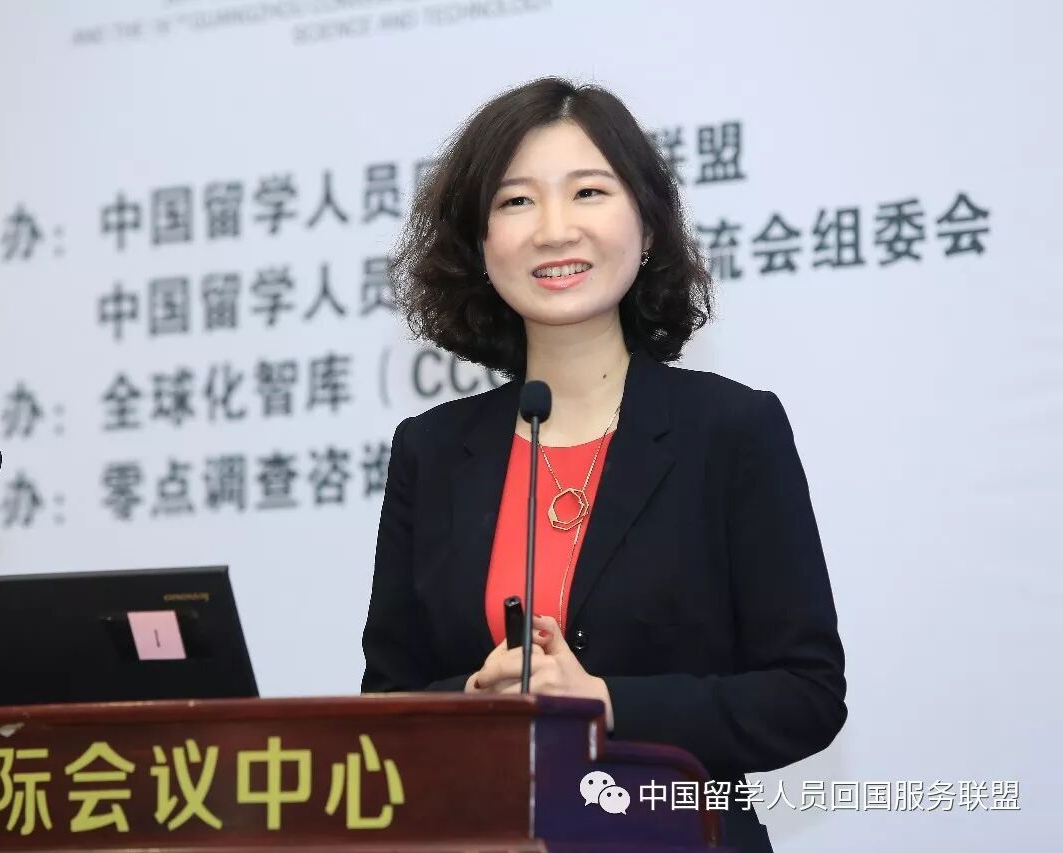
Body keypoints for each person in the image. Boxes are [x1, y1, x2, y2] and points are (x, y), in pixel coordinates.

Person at [360, 77, 846, 852]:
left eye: (588, 192)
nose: (555, 229)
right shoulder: (432, 450)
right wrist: (476, 697)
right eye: (516, 201)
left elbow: (805, 694)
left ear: (647, 227)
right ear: (480, 246)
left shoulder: (730, 430)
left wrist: (604, 702)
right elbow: (386, 702)